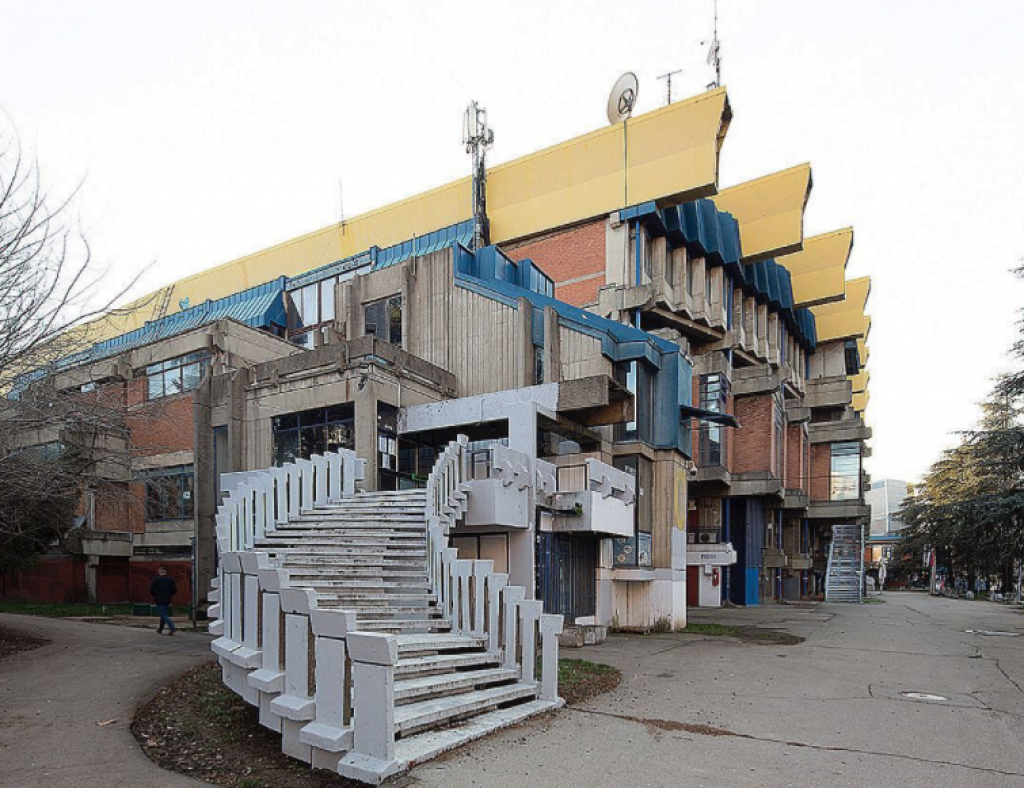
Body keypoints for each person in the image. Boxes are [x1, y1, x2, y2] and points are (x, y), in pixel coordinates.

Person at [150, 566, 178, 636]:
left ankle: (172, 628)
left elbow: (151, 589)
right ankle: (160, 629)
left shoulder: (156, 580)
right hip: (167, 599)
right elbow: (174, 590)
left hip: (159, 598)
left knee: (164, 614)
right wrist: (169, 594)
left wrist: (155, 595)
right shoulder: (171, 580)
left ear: (159, 572)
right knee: (163, 614)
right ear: (166, 572)